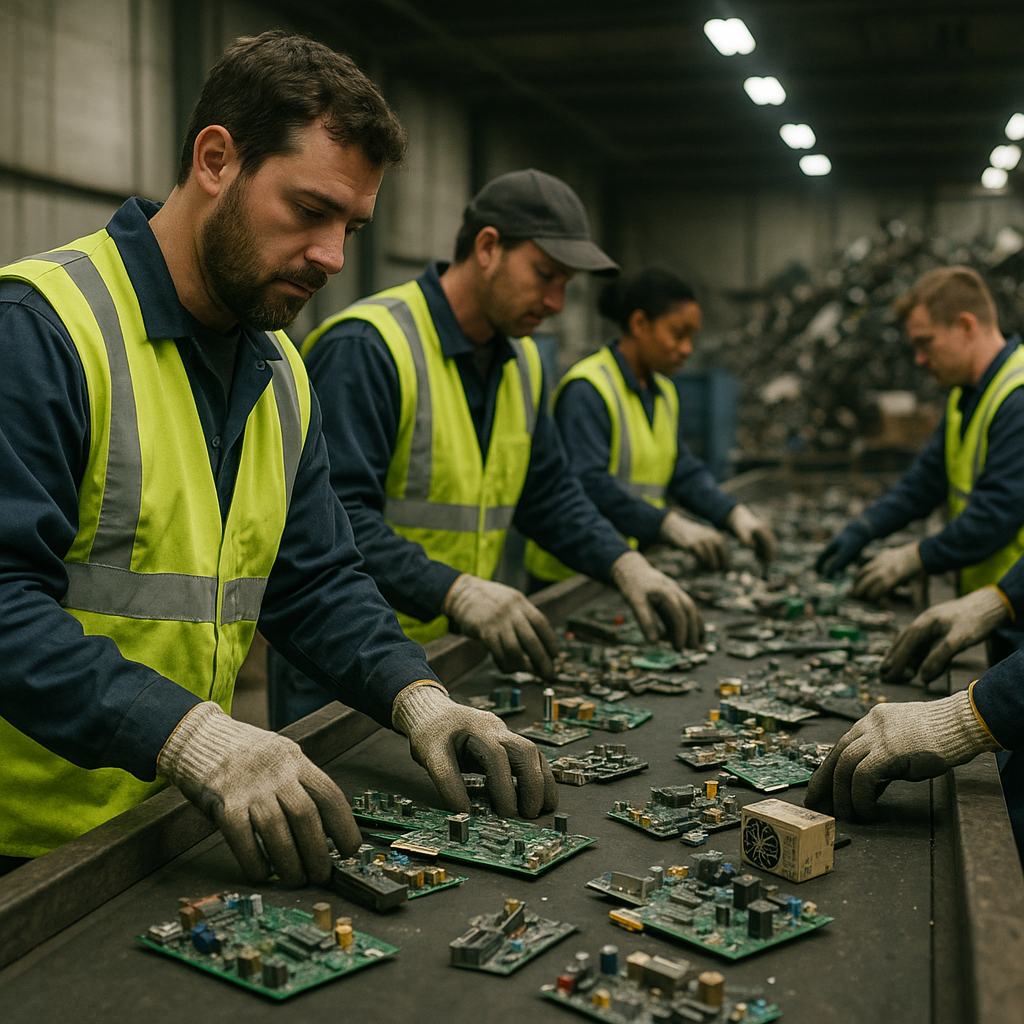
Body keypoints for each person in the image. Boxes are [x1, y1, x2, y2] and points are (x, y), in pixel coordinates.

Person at [0, 32, 557, 886]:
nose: (335, 256)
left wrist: (419, 698)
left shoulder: (279, 368)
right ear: (217, 159)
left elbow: (316, 580)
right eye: (309, 211)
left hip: (176, 828)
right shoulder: (42, 331)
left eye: (353, 226)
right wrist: (190, 733)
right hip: (29, 851)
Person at [268, 170, 704, 729]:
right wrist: (454, 590)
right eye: (546, 275)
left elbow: (547, 494)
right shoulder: (369, 346)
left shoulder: (521, 361)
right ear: (488, 247)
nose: (555, 302)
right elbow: (334, 520)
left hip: (454, 660)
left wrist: (623, 562)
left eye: (566, 284)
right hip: (345, 664)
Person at [523, 267, 776, 587]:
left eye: (691, 337)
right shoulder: (588, 389)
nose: (687, 349)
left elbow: (681, 470)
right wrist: (667, 525)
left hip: (633, 569)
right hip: (573, 575)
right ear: (640, 324)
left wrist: (733, 514)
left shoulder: (664, 391)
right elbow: (589, 483)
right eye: (678, 334)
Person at [817, 268, 1024, 650]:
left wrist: (916, 557)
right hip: (997, 609)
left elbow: (996, 515)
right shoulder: (968, 394)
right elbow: (925, 480)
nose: (918, 359)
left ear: (966, 326)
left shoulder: (1018, 397)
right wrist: (866, 527)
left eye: (925, 343)